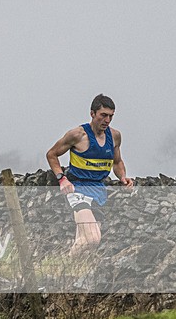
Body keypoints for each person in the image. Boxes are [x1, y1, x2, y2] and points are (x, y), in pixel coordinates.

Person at [46, 94, 133, 255]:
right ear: (92, 113)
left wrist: (122, 177)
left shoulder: (114, 136)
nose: (107, 120)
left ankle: (65, 269)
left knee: (86, 242)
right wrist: (62, 179)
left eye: (111, 116)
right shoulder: (78, 135)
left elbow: (117, 162)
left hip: (98, 191)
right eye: (103, 115)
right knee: (93, 237)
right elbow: (51, 154)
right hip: (77, 188)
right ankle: (65, 266)